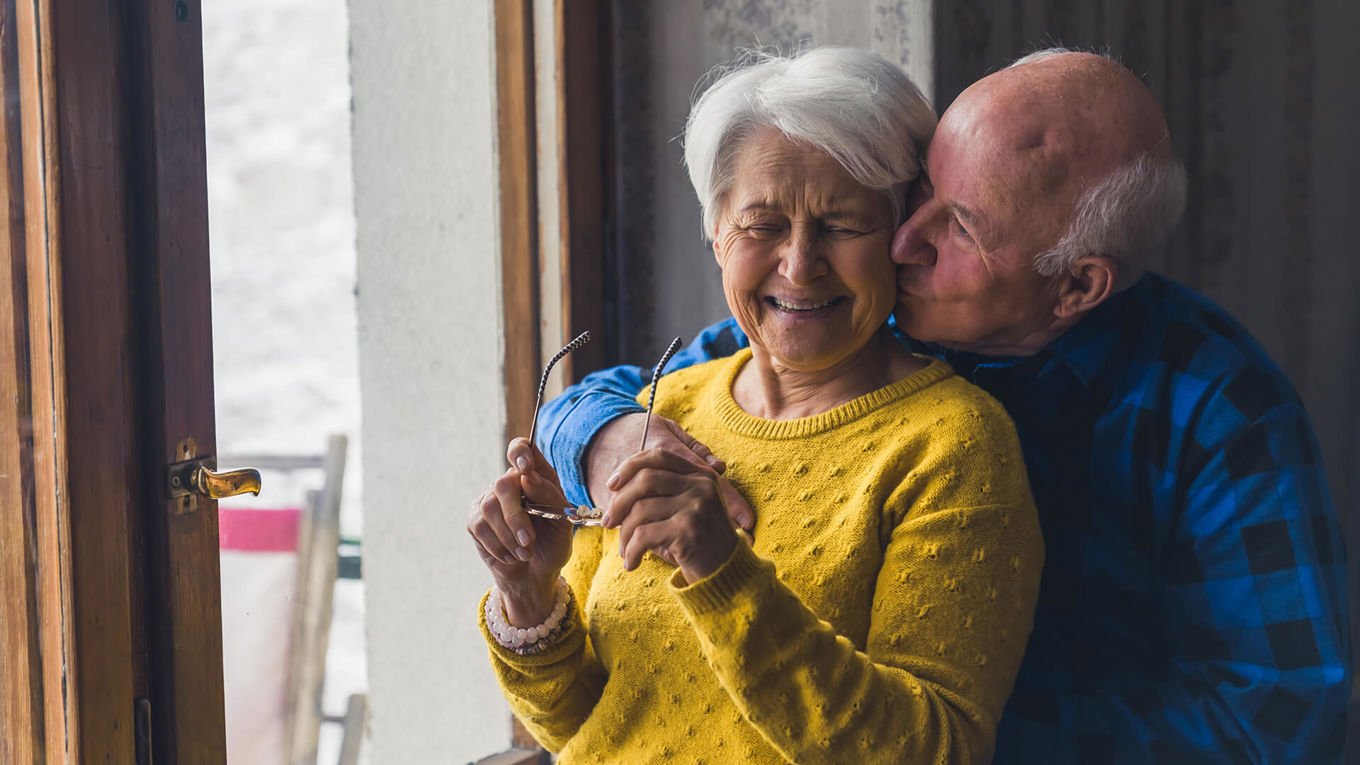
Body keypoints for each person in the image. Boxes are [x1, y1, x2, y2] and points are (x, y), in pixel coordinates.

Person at [535, 49, 1352, 763]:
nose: (900, 239)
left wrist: (976, 716)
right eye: (920, 189)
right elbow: (637, 393)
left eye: (959, 225)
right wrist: (608, 440)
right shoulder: (865, 313)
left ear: (1076, 285)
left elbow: (1279, 724)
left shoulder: (1218, 408)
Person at [469, 47, 1044, 764]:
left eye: (841, 225)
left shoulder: (954, 444)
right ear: (716, 233)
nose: (800, 265)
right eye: (763, 224)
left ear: (901, 237)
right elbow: (588, 726)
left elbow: (937, 750)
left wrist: (720, 569)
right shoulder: (658, 415)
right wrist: (529, 599)